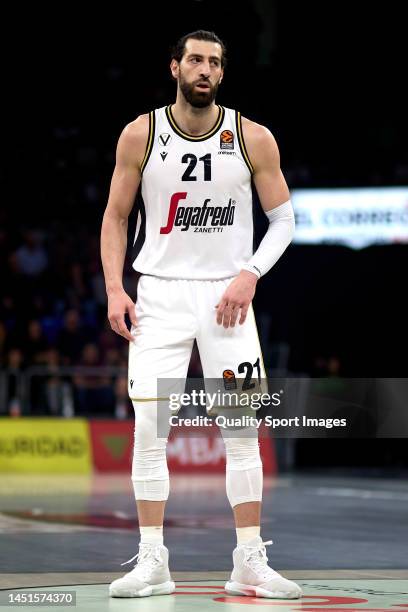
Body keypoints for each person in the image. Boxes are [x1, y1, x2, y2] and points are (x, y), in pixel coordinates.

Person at [101, 30, 301, 600]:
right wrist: (115, 288)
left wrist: (250, 273)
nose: (204, 69)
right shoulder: (141, 133)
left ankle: (248, 561)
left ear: (221, 72)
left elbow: (284, 220)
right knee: (150, 429)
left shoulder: (252, 137)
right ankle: (152, 561)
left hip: (227, 300)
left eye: (214, 62)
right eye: (195, 59)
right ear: (174, 67)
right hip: (159, 295)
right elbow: (115, 218)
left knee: (241, 430)